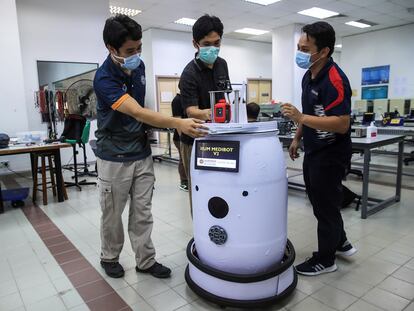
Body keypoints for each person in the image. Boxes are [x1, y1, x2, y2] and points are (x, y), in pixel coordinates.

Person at [94, 14, 206, 279]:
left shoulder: (139, 66)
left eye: (139, 48)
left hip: (141, 153)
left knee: (142, 212)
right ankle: (109, 256)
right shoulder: (104, 79)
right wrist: (177, 123)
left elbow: (143, 112)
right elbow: (137, 112)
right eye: (130, 51)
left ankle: (145, 260)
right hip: (114, 157)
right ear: (112, 49)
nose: (136, 54)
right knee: (112, 214)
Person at [281, 21, 357, 276]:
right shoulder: (308, 75)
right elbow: (309, 114)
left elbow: (342, 123)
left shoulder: (335, 80)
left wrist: (300, 119)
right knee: (320, 202)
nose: (300, 53)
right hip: (314, 150)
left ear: (323, 51)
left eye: (305, 48)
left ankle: (326, 259)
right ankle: (341, 242)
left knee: (325, 205)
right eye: (299, 47)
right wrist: (297, 137)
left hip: (332, 153)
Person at [179, 14, 231, 213]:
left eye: (217, 43)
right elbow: (191, 110)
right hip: (195, 140)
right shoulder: (189, 73)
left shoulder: (222, 64)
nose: (213, 48)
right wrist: (214, 113)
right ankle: (200, 234)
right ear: (195, 44)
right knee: (200, 189)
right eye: (206, 43)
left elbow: (226, 96)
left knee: (221, 187)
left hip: (219, 138)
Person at [171, 93, 188, 191]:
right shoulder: (177, 100)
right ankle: (184, 182)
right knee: (183, 158)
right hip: (179, 137)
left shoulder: (188, 98)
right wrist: (182, 138)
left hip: (188, 135)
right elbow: (177, 121)